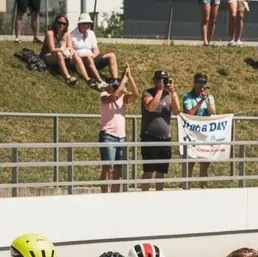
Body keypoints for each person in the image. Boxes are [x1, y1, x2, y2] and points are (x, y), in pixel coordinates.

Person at [99, 64, 137, 192]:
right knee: (108, 167)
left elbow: (136, 94)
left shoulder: (123, 98)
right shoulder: (104, 94)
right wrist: (122, 83)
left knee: (118, 168)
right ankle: (105, 194)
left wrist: (129, 76)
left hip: (121, 137)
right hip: (108, 135)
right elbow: (112, 98)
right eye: (113, 84)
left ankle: (115, 194)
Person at [140, 69, 181, 189]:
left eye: (165, 80)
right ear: (155, 80)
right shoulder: (148, 92)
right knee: (148, 171)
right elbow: (151, 107)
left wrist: (173, 93)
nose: (162, 82)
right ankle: (144, 195)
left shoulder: (169, 95)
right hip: (150, 137)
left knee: (161, 172)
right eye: (160, 79)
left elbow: (177, 111)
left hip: (165, 139)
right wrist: (159, 90)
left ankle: (159, 194)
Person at [181, 72, 218, 183]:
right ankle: (186, 188)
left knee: (204, 168)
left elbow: (213, 112)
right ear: (194, 82)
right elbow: (189, 113)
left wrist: (206, 99)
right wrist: (200, 101)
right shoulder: (188, 96)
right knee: (189, 166)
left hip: (205, 137)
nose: (201, 84)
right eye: (199, 82)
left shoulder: (209, 97)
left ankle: (203, 188)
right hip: (191, 136)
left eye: (204, 82)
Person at [71, 14, 118, 89]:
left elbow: (96, 50)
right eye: (84, 23)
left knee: (112, 55)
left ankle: (115, 80)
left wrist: (92, 56)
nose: (86, 26)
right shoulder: (72, 35)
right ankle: (100, 81)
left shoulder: (91, 33)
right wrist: (86, 57)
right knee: (88, 59)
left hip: (92, 58)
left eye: (88, 24)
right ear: (79, 24)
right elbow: (72, 52)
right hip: (81, 61)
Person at [40, 15, 81, 85]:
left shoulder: (66, 34)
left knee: (76, 55)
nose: (61, 25)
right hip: (47, 56)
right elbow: (52, 49)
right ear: (56, 23)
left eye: (64, 24)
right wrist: (62, 48)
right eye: (59, 23)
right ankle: (67, 78)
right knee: (59, 53)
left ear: (66, 25)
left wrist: (70, 52)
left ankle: (84, 76)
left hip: (61, 56)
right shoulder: (50, 33)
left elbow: (70, 48)